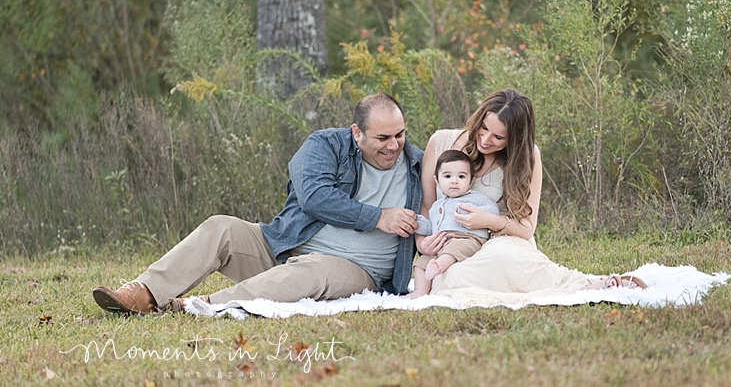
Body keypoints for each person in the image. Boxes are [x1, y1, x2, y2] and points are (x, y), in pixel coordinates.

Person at [92, 93, 423, 314]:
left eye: (400, 134)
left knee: (312, 272)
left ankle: (201, 306)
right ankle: (142, 294)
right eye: (383, 138)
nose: (394, 145)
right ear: (357, 133)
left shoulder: (417, 166)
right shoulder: (325, 145)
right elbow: (314, 197)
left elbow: (464, 168)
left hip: (357, 270)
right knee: (221, 227)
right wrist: (378, 217)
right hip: (285, 247)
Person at [416, 89, 646, 307]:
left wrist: (488, 221)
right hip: (451, 248)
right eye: (483, 128)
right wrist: (422, 242)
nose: (485, 139)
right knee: (452, 274)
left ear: (514, 139)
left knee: (498, 256)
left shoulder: (528, 157)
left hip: (500, 241)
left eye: (498, 137)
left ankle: (585, 286)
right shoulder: (441, 142)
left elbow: (526, 228)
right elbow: (426, 206)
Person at [407, 149, 499, 298]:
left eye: (461, 176)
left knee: (455, 248)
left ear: (471, 181)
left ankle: (439, 266)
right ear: (437, 181)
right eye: (448, 176)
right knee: (421, 262)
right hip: (443, 241)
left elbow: (492, 211)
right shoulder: (436, 206)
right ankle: (420, 292)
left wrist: (474, 214)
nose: (454, 181)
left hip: (468, 238)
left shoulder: (475, 198)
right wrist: (417, 222)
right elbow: (431, 226)